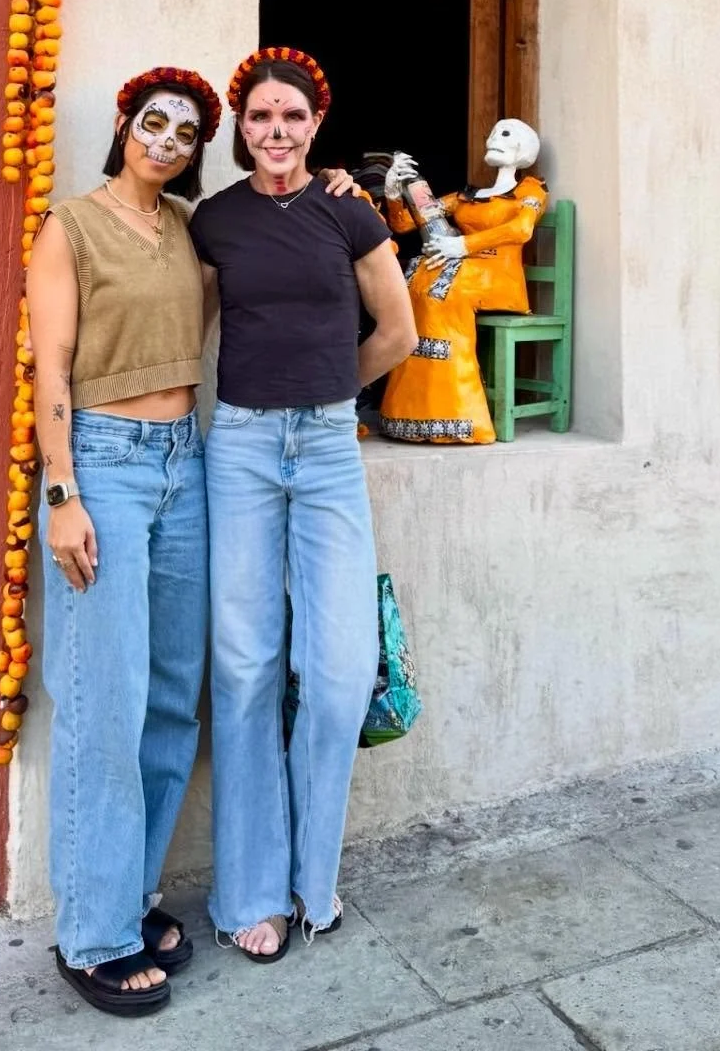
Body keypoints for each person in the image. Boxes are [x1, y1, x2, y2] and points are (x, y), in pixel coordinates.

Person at [190, 47, 418, 962]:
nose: (275, 133)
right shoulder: (215, 222)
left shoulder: (349, 215)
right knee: (245, 671)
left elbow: (397, 331)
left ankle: (311, 878)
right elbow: (192, 331)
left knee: (335, 675)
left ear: (316, 125)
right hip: (240, 448)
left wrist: (330, 393)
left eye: (290, 118)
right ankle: (251, 891)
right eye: (258, 119)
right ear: (240, 131)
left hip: (325, 450)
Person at [25, 66, 220, 1018]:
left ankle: (130, 896)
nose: (169, 140)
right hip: (103, 463)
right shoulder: (72, 224)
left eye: (187, 133)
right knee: (105, 695)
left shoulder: (189, 230)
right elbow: (50, 365)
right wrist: (64, 491)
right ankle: (92, 933)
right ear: (124, 124)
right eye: (156, 122)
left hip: (187, 463)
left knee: (172, 693)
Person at [378, 120, 548, 444]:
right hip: (463, 270)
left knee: (442, 294)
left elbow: (521, 230)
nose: (494, 138)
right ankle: (409, 411)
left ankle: (459, 415)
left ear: (523, 148)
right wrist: (394, 192)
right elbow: (405, 223)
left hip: (499, 277)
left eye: (506, 134)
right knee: (413, 284)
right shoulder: (468, 196)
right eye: (494, 133)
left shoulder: (530, 190)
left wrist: (462, 245)